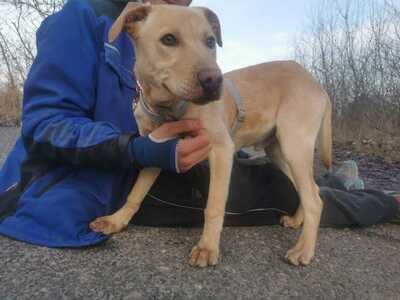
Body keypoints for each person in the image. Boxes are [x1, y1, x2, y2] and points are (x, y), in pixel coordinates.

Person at [0, 0, 398, 248]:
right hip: (76, 187)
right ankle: (384, 201)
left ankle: (340, 181)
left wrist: (152, 144)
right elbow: (45, 125)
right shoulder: (80, 21)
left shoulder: (165, 26)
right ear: (135, 25)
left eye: (208, 42)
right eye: (171, 40)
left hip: (140, 160)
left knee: (270, 165)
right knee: (272, 189)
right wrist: (136, 148)